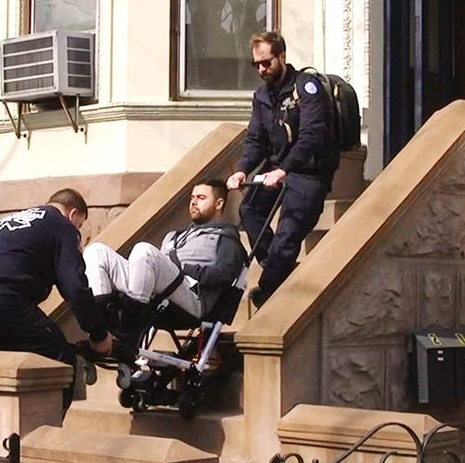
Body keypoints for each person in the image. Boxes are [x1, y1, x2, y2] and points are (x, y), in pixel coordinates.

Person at [0, 188, 114, 412]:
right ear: (72, 215)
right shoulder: (62, 226)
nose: (77, 233)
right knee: (60, 362)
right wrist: (99, 334)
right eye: (79, 226)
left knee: (2, 365)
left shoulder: (15, 219)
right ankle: (40, 436)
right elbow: (75, 286)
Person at [226, 30, 339, 307]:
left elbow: (312, 135)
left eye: (267, 62)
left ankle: (267, 294)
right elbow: (256, 140)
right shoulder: (263, 96)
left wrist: (285, 169)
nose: (262, 69)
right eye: (257, 65)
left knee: (287, 234)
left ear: (282, 57)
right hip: (278, 169)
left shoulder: (306, 87)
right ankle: (277, 269)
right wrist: (242, 169)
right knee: (249, 210)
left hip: (309, 173)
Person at [82, 178, 246, 324]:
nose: (194, 202)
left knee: (144, 250)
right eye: (192, 198)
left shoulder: (225, 237)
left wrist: (185, 268)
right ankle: (100, 327)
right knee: (96, 251)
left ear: (219, 204)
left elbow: (224, 275)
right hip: (155, 292)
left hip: (191, 298)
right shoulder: (174, 236)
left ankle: (129, 328)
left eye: (201, 198)